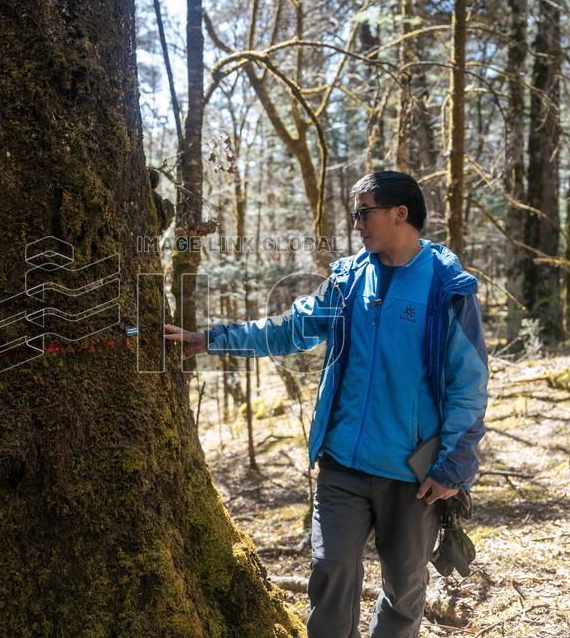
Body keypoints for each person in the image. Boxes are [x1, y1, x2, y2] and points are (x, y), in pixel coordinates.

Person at [164, 171, 488, 638]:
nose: (356, 223)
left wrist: (454, 464)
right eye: (354, 214)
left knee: (404, 591)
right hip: (342, 463)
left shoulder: (446, 287)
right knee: (331, 571)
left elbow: (470, 383)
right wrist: (212, 339)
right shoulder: (349, 279)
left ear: (401, 213)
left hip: (413, 476)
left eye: (364, 212)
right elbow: (290, 328)